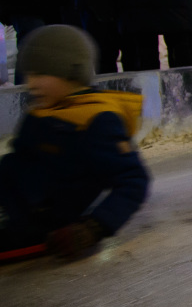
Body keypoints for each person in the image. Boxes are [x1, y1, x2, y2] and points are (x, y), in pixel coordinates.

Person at [0, 25, 149, 263]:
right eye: (29, 74)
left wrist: (93, 228)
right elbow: (18, 162)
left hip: (33, 222)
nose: (31, 83)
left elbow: (133, 181)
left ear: (70, 73)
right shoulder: (41, 111)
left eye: (40, 74)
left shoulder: (97, 120)